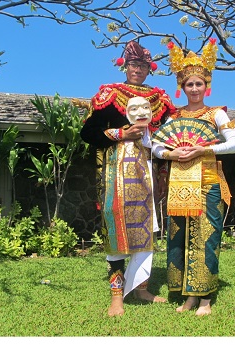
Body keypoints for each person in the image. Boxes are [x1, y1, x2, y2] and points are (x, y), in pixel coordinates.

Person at [80, 40, 176, 317]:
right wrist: (121, 134)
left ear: (149, 69)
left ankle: (142, 289)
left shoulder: (160, 99)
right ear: (125, 66)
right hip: (116, 172)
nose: (138, 70)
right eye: (133, 65)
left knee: (148, 230)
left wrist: (162, 171)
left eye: (143, 66)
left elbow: (166, 139)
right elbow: (88, 134)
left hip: (146, 172)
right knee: (117, 232)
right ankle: (117, 296)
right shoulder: (110, 94)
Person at [151, 38, 235, 316]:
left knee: (206, 238)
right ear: (182, 87)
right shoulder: (173, 117)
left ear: (206, 86)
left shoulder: (216, 115)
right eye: (189, 84)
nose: (194, 89)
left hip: (208, 184)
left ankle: (205, 297)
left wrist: (205, 147)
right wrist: (170, 155)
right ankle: (187, 295)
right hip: (179, 184)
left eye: (198, 84)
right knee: (179, 238)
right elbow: (156, 145)